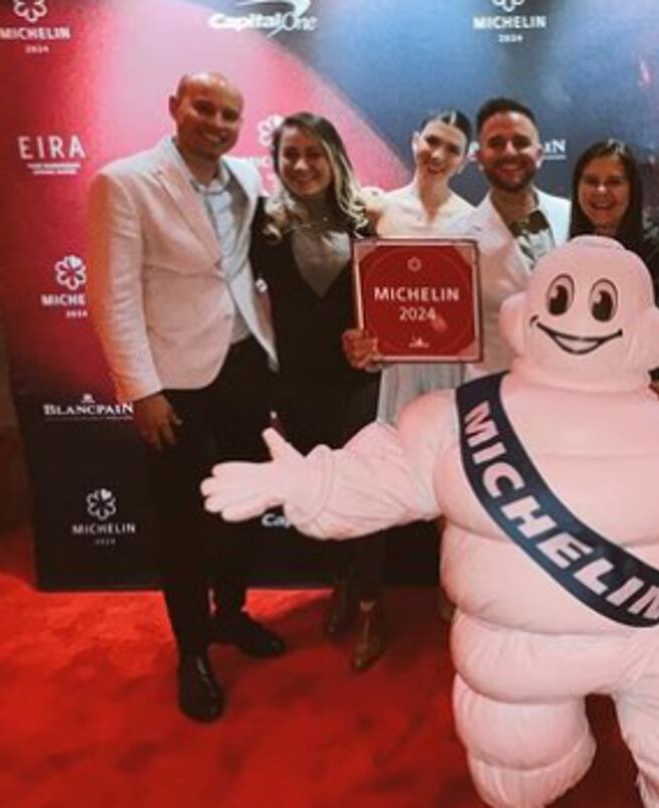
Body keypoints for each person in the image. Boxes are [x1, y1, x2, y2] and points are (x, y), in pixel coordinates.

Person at [202, 236, 659, 808]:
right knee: (519, 767)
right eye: (563, 298)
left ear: (647, 332)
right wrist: (304, 483)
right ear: (527, 313)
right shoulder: (463, 422)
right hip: (516, 650)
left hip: (653, 639)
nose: (581, 318)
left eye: (605, 306)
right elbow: (387, 471)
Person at [86, 72, 284, 723]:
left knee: (243, 509)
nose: (218, 123)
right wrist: (142, 391)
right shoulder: (125, 182)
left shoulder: (249, 179)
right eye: (205, 108)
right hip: (174, 384)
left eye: (231, 114)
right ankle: (192, 651)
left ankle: (230, 615)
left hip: (246, 367)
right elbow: (112, 296)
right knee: (182, 523)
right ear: (175, 106)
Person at [337, 110, 477, 661]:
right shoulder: (376, 209)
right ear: (415, 141)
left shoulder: (473, 221)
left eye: (451, 148)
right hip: (392, 373)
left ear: (464, 161)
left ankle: (458, 598)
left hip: (451, 373)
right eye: (432, 142)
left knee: (452, 497)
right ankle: (369, 610)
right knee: (380, 493)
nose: (437, 155)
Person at [249, 112, 384, 670]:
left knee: (366, 501)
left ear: (335, 159)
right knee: (317, 499)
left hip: (360, 387)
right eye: (290, 155)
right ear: (276, 163)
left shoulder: (370, 224)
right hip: (297, 389)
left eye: (314, 153)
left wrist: (381, 344)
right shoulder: (264, 229)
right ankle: (342, 583)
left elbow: (399, 307)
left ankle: (375, 606)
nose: (302, 165)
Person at [569, 138, 659, 403]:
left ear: (632, 189)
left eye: (614, 182)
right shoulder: (568, 246)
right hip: (583, 392)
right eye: (591, 181)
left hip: (639, 391)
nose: (601, 191)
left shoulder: (657, 246)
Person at [452, 97, 570, 376]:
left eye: (520, 142)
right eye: (495, 143)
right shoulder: (455, 239)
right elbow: (430, 324)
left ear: (540, 154)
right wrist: (377, 348)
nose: (509, 152)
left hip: (575, 394)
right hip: (496, 400)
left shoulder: (577, 217)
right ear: (478, 158)